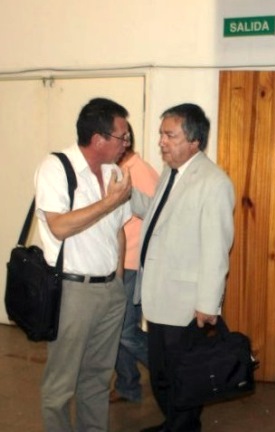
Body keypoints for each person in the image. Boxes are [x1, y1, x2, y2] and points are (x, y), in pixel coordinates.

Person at [131, 103, 235, 432]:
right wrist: (126, 195)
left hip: (186, 304)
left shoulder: (214, 182)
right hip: (160, 296)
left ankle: (184, 428)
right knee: (162, 375)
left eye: (169, 135)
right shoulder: (171, 173)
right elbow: (158, 215)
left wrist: (208, 304)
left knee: (184, 377)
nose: (161, 141)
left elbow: (217, 249)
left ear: (194, 141)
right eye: (161, 134)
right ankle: (173, 425)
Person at [35, 97, 132, 431]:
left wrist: (117, 278)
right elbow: (59, 226)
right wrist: (108, 202)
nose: (126, 142)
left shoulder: (114, 172)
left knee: (97, 379)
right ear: (98, 139)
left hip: (110, 290)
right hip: (72, 290)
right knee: (61, 384)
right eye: (122, 136)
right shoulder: (56, 167)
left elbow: (118, 230)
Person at [110, 122, 159, 403]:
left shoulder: (140, 172)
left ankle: (172, 370)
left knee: (124, 332)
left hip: (131, 264)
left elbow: (157, 218)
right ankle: (127, 385)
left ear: (125, 141)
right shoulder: (118, 170)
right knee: (118, 330)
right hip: (118, 263)